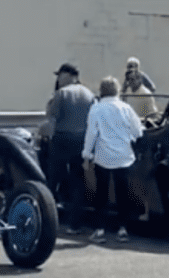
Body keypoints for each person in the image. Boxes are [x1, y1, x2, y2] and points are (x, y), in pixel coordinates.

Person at [82, 76, 144, 243]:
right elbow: (138, 131)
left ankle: (100, 230)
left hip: (103, 156)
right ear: (117, 90)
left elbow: (91, 134)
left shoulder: (96, 109)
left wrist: (86, 155)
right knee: (122, 194)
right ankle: (122, 229)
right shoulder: (126, 108)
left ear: (101, 91)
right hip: (124, 156)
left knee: (101, 194)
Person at [45, 62, 95, 234]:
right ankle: (75, 224)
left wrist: (47, 138)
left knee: (54, 179)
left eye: (60, 75)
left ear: (67, 75)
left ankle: (46, 218)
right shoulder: (89, 94)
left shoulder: (61, 94)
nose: (58, 79)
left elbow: (52, 120)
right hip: (81, 139)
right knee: (77, 181)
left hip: (62, 139)